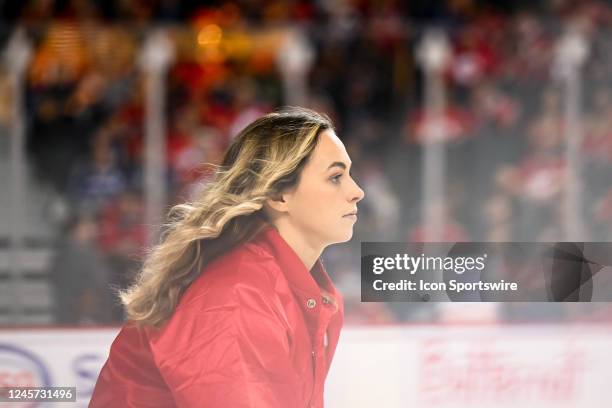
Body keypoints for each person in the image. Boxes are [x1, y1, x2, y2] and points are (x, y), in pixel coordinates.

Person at [89, 107, 365, 407]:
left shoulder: (306, 295)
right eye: (336, 177)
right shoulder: (236, 297)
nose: (357, 191)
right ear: (278, 195)